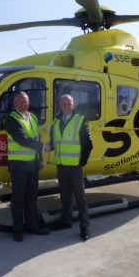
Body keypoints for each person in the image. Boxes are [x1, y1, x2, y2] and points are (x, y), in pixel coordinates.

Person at [47, 94, 93, 241]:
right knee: (65, 196)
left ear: (73, 105)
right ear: (60, 105)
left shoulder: (80, 120)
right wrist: (44, 146)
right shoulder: (56, 121)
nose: (66, 106)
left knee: (80, 197)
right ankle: (66, 221)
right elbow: (54, 142)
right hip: (61, 165)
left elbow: (88, 144)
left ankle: (84, 227)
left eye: (69, 103)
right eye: (64, 103)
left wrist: (82, 162)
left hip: (75, 166)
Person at [5, 91, 49, 242]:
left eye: (25, 101)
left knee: (31, 198)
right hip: (18, 165)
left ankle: (33, 226)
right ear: (14, 103)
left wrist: (40, 160)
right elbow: (22, 140)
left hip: (32, 164)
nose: (23, 104)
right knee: (18, 199)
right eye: (20, 101)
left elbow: (36, 137)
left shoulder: (32, 117)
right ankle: (18, 229)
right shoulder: (11, 119)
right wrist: (43, 146)